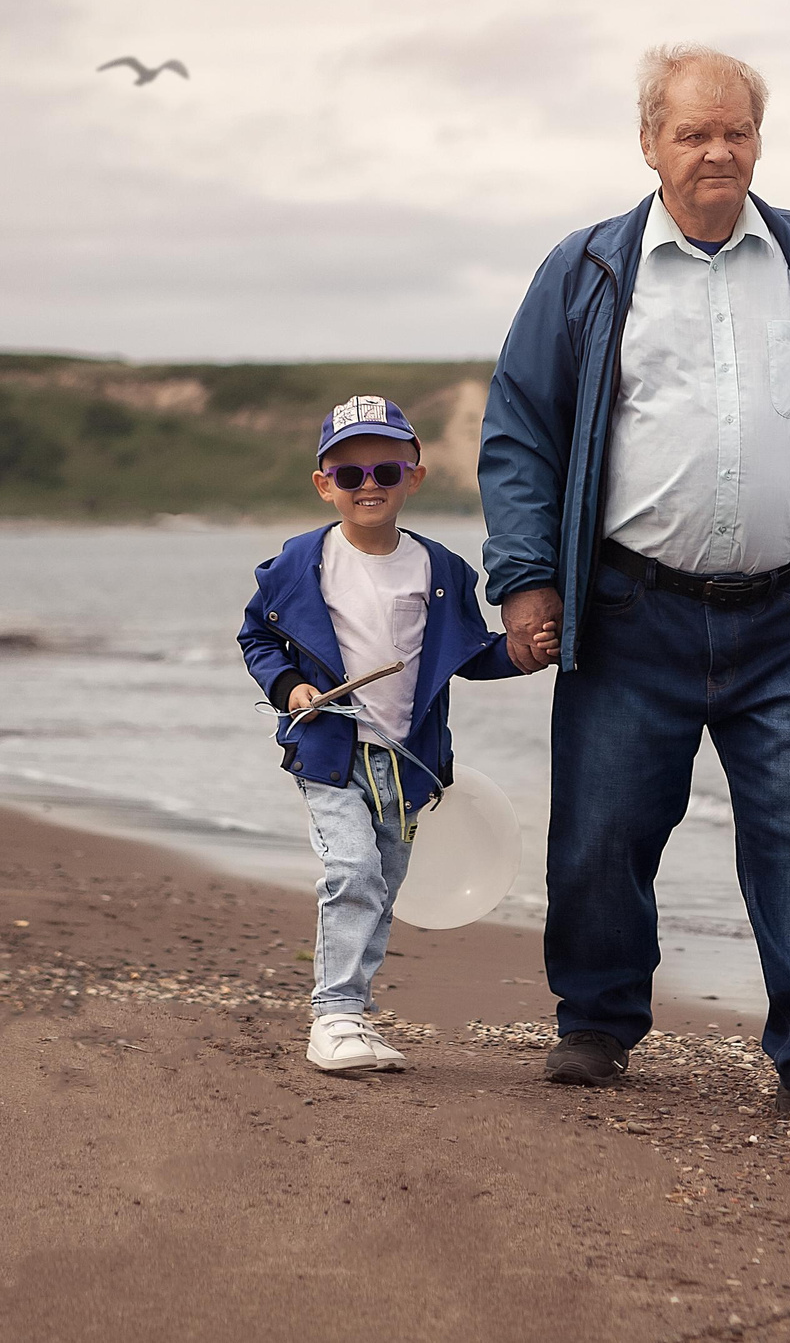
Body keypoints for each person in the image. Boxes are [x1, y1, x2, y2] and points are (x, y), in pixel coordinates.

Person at [479, 43, 790, 1136]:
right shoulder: (586, 270)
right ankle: (596, 1020)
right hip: (632, 609)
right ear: (649, 143)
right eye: (692, 132)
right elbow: (521, 434)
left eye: (736, 131)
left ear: (759, 139)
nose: (717, 150)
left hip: (786, 612)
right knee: (601, 832)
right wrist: (528, 577)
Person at [237, 395, 550, 1075]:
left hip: (408, 768)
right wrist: (289, 686)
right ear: (325, 485)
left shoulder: (442, 570)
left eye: (384, 469)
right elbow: (258, 635)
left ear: (415, 474)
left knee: (381, 884)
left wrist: (520, 655)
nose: (368, 485)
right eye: (349, 475)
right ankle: (332, 1016)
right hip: (330, 753)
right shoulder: (300, 561)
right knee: (350, 870)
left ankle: (354, 1012)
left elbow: (467, 655)